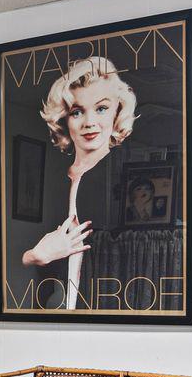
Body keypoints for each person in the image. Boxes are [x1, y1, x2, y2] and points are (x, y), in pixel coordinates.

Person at [22, 56, 136, 308]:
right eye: (77, 111)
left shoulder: (120, 179)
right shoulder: (57, 180)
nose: (89, 122)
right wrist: (35, 256)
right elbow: (21, 262)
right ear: (65, 119)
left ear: (118, 111)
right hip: (59, 314)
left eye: (101, 108)